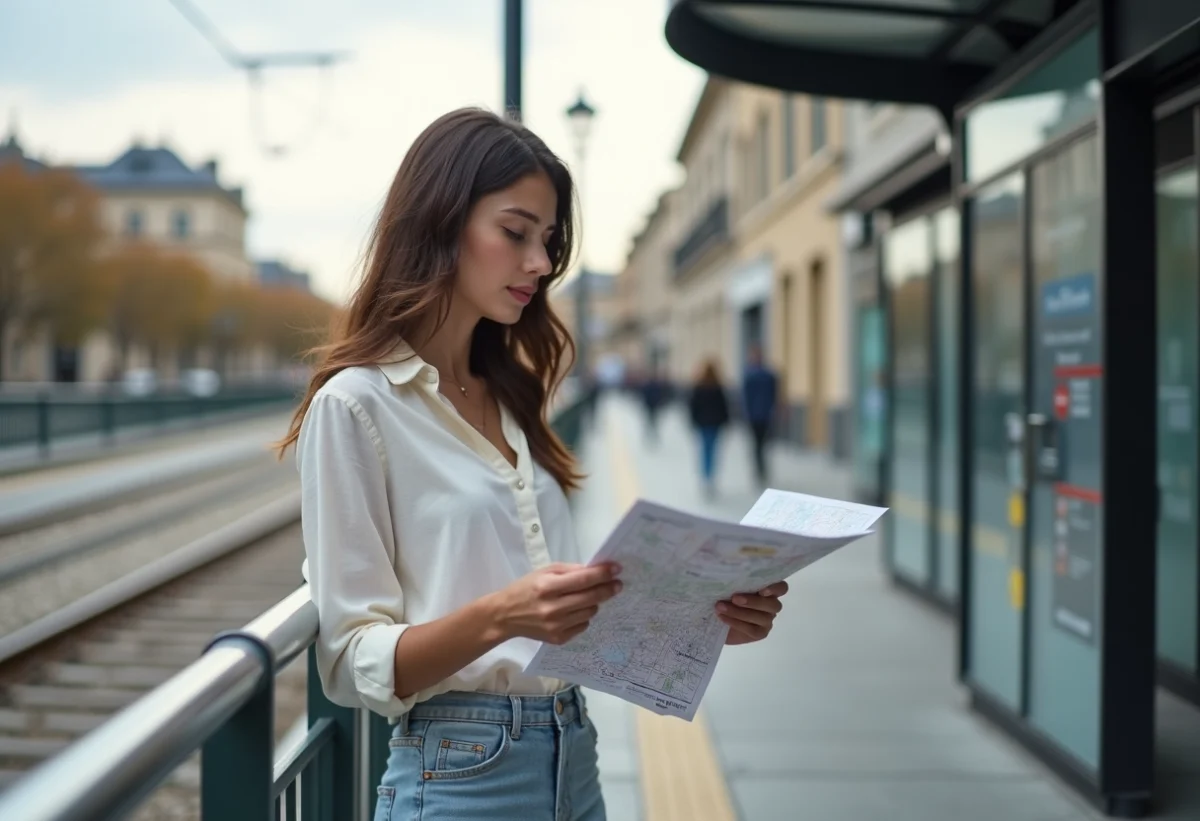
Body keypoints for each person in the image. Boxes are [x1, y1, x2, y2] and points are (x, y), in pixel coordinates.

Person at [274, 108, 790, 821]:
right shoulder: (356, 405)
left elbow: (556, 626)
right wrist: (500, 613)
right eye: (515, 233)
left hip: (573, 755)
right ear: (439, 221)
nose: (541, 264)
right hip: (460, 773)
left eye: (547, 242)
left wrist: (702, 618)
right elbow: (349, 657)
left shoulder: (512, 393)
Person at [688, 358, 731, 497]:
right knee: (713, 451)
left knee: (704, 451)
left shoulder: (699, 387)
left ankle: (705, 477)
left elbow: (693, 407)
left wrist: (693, 421)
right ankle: (710, 477)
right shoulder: (717, 387)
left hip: (702, 424)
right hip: (715, 424)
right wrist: (726, 421)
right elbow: (724, 407)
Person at [741, 344, 778, 485]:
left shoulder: (760, 374)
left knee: (759, 444)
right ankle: (760, 469)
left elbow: (774, 395)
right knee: (759, 444)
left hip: (761, 415)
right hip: (758, 415)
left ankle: (760, 468)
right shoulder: (760, 374)